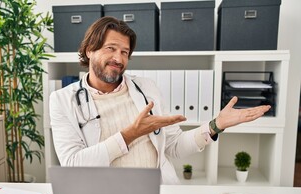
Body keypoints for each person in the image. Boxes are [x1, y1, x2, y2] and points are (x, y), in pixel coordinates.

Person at [49, 16, 271, 184]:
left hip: (157, 190)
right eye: (111, 49)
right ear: (89, 50)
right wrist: (129, 135)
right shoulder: (62, 100)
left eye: (125, 52)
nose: (119, 58)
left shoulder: (147, 89)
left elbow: (174, 147)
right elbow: (72, 164)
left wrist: (216, 125)